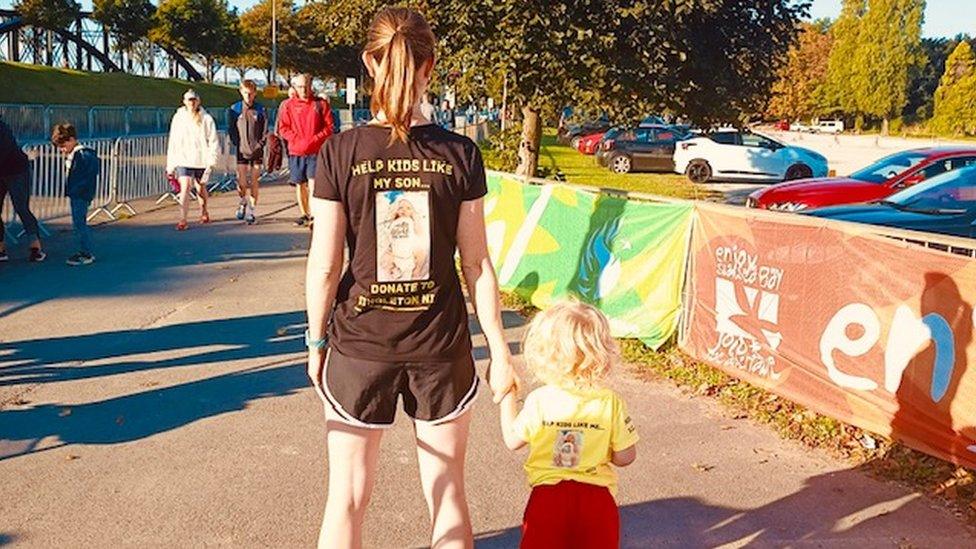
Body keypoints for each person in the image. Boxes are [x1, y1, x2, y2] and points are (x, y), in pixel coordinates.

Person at [305, 8, 518, 549]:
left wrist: (315, 341)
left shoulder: (340, 152)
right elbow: (477, 265)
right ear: (431, 65)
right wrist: (498, 349)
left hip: (360, 344)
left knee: (347, 499)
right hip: (441, 347)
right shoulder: (460, 154)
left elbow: (326, 266)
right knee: (447, 496)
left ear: (369, 63)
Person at [498, 301, 639, 549]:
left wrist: (506, 394)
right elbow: (625, 457)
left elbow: (512, 440)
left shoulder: (540, 400)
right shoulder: (609, 402)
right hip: (597, 502)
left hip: (548, 500)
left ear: (544, 354)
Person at [277, 74, 334, 227]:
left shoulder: (320, 104)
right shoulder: (288, 105)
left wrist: (316, 139)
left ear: (311, 86)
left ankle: (315, 215)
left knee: (313, 183)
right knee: (300, 184)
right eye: (300, 87)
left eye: (306, 86)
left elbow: (329, 127)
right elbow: (283, 128)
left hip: (315, 151)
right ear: (295, 87)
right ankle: (304, 213)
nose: (304, 90)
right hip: (296, 151)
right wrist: (296, 139)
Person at [166, 89, 219, 231]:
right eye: (189, 100)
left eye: (194, 100)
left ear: (198, 101)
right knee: (185, 187)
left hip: (201, 159)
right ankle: (183, 219)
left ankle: (204, 211)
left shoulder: (206, 118)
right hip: (184, 159)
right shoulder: (178, 118)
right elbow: (173, 141)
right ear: (184, 101)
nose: (191, 103)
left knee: (200, 187)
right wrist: (170, 165)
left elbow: (213, 140)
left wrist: (211, 161)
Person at [51, 123, 100, 266]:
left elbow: (88, 176)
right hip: (77, 193)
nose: (62, 150)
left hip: (80, 193)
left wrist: (79, 190)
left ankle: (86, 252)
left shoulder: (83, 155)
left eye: (63, 146)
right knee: (78, 223)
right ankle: (83, 250)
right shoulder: (77, 154)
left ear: (72, 140)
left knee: (80, 223)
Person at [0, 116, 45, 263]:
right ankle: (1, 248)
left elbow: (3, 151)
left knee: (21, 207)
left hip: (16, 170)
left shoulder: (2, 129)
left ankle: (35, 246)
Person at [228, 79, 268, 225]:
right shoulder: (235, 109)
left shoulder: (260, 110)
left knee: (254, 180)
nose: (248, 96)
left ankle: (252, 209)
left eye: (251, 94)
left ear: (255, 93)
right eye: (245, 93)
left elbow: (265, 130)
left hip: (256, 150)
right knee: (242, 181)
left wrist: (260, 144)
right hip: (241, 150)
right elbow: (232, 129)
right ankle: (242, 201)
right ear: (241, 92)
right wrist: (237, 143)